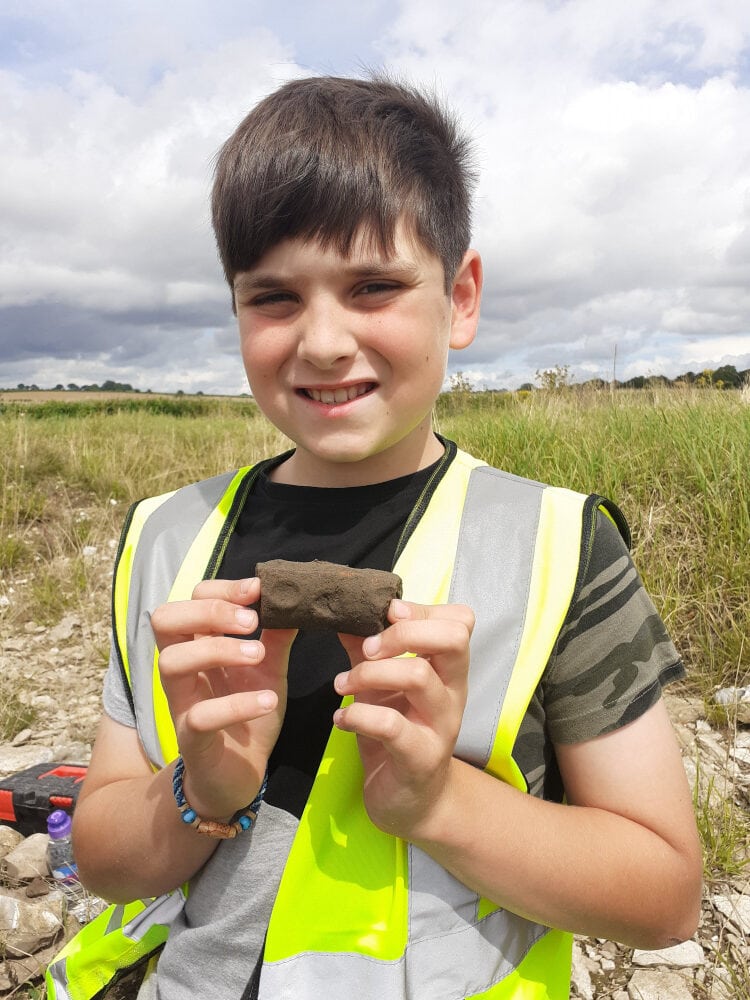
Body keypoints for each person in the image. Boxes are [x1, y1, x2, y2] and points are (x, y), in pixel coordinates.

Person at [53, 75, 702, 1000]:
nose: (322, 341)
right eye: (273, 297)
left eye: (374, 286)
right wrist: (200, 793)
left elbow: (667, 898)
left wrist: (440, 801)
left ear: (462, 298)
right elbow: (107, 861)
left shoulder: (561, 547)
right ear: (234, 307)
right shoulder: (165, 536)